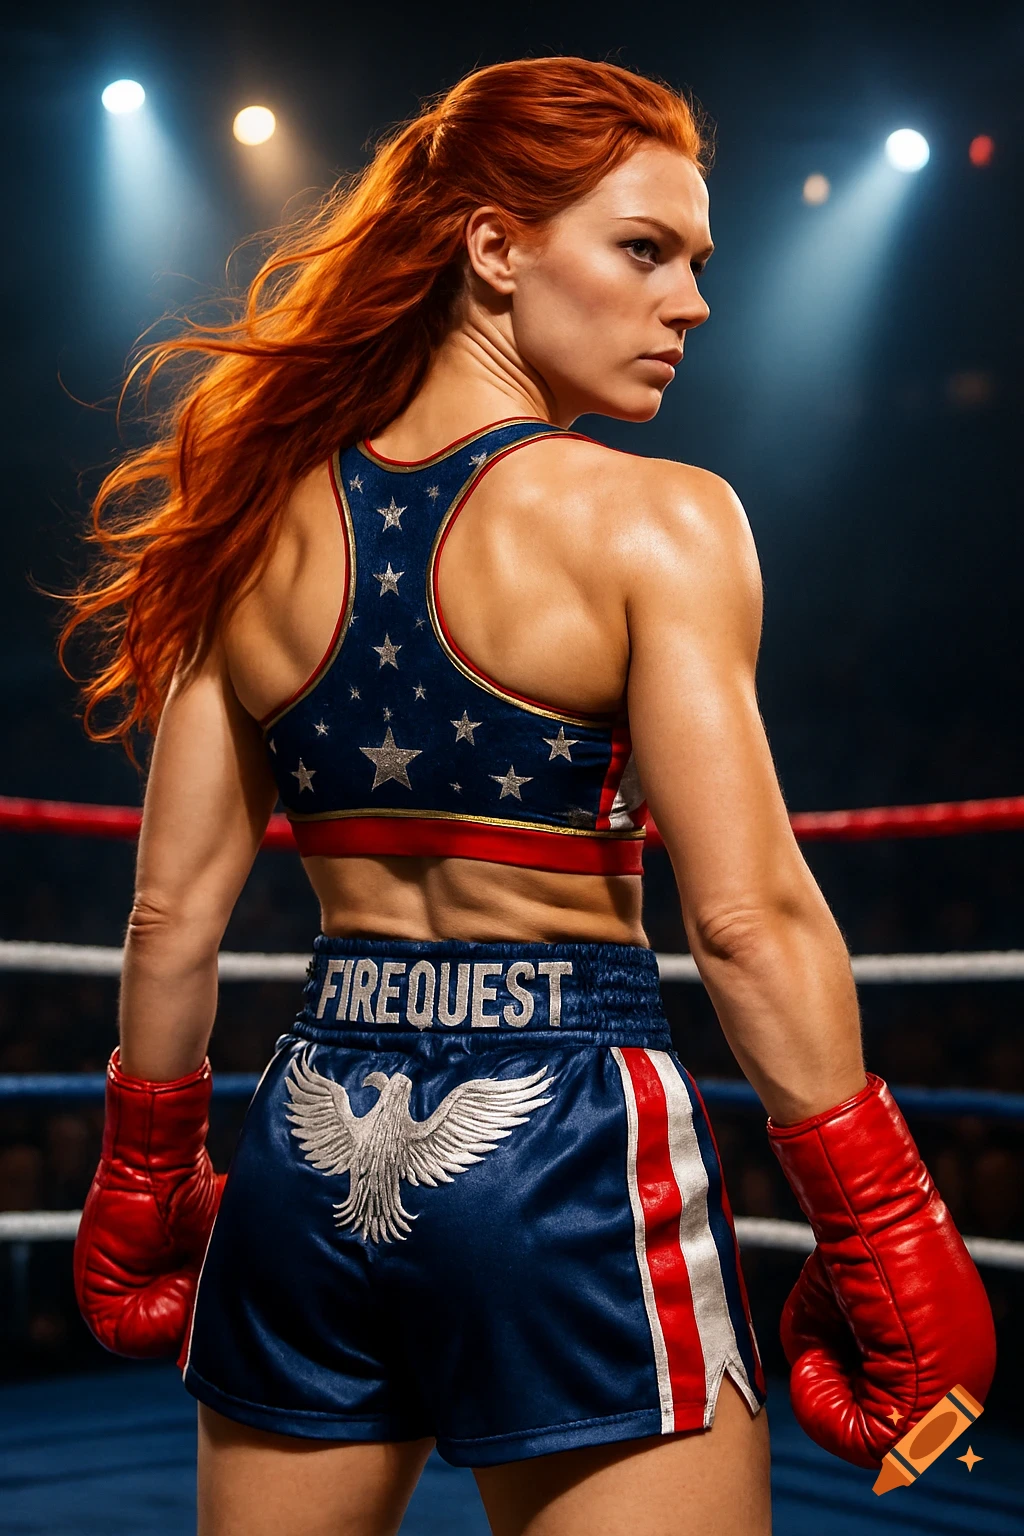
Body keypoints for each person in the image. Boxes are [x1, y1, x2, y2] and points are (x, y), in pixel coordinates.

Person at [63, 57, 995, 1536]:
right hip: (564, 1138)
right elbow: (747, 920)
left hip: (313, 1139)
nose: (691, 301)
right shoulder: (658, 520)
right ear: (494, 249)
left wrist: (143, 1173)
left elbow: (172, 916)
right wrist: (886, 1226)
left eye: (698, 261)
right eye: (644, 249)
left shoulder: (247, 514)